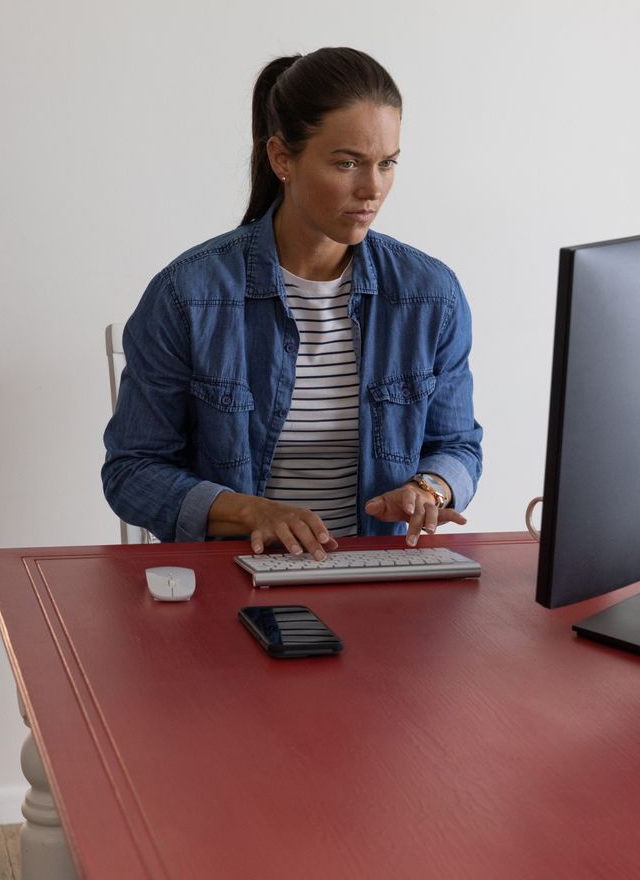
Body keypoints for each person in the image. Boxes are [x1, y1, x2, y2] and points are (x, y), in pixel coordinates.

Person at [102, 47, 483, 557]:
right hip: (238, 579)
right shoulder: (188, 297)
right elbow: (132, 470)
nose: (372, 188)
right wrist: (252, 511)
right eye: (347, 163)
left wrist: (429, 488)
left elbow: (457, 446)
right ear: (282, 157)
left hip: (378, 574)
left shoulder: (430, 296)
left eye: (387, 163)